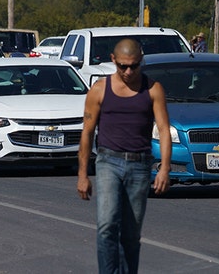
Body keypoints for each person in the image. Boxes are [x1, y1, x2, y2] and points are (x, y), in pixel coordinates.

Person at [77, 38, 171, 273]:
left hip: (139, 165)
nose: (128, 71)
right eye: (122, 66)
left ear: (141, 61)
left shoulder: (153, 89)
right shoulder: (99, 90)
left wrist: (164, 169)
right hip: (108, 162)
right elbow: (87, 133)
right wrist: (82, 175)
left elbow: (163, 130)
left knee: (131, 233)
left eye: (134, 66)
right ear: (113, 61)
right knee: (107, 225)